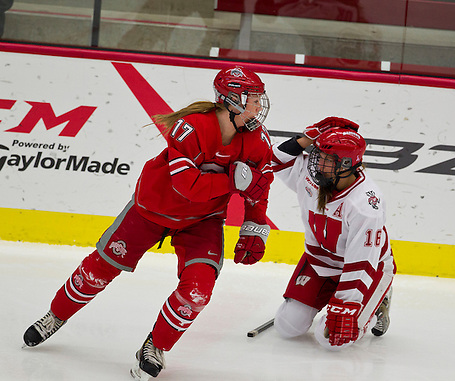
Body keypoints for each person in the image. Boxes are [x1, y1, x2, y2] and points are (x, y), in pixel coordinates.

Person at [23, 66, 274, 380]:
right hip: (150, 210)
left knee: (198, 291)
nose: (258, 105)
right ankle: (55, 315)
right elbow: (189, 186)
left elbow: (258, 188)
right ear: (231, 99)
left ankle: (155, 346)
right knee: (98, 270)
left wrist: (255, 226)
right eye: (252, 98)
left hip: (202, 221)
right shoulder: (191, 127)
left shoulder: (258, 141)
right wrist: (231, 182)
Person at [271, 117, 395, 350]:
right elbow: (274, 159)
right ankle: (323, 298)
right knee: (287, 327)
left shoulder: (366, 204)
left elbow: (362, 261)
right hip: (320, 262)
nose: (317, 164)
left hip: (366, 269)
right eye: (318, 156)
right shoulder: (313, 176)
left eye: (327, 160)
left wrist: (347, 305)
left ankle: (380, 297)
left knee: (330, 340)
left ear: (348, 164)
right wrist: (309, 136)